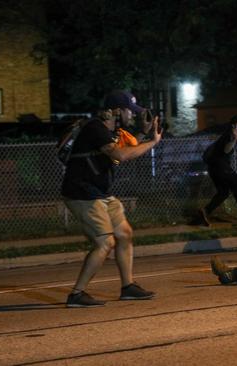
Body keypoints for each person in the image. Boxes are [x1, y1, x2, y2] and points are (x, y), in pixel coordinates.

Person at [62, 90, 162, 308]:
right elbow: (120, 155)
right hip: (82, 193)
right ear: (116, 111)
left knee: (124, 234)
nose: (132, 115)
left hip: (101, 192)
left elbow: (124, 149)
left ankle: (128, 287)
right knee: (104, 242)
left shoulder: (112, 131)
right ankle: (77, 294)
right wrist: (153, 142)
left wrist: (144, 136)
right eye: (129, 111)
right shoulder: (95, 128)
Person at [199, 114, 237, 226]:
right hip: (221, 167)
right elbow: (227, 150)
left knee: (223, 192)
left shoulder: (236, 135)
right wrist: (234, 140)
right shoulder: (229, 135)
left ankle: (205, 211)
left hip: (214, 169)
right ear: (233, 124)